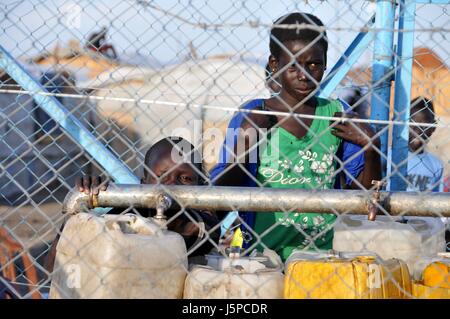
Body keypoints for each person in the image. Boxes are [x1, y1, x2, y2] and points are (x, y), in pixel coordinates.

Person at [210, 12, 381, 261]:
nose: (304, 74)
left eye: (314, 64)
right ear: (274, 64)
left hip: (323, 257)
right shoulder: (255, 114)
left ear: (324, 63)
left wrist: (371, 148)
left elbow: (363, 200)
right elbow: (223, 192)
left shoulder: (336, 114)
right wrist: (246, 145)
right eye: (294, 64)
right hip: (262, 257)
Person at [46, 137, 220, 270]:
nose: (171, 186)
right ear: (143, 184)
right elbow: (53, 269)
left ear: (200, 187)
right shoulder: (124, 217)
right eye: (162, 177)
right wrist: (79, 211)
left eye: (185, 178)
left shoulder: (202, 228)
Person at [407, 97, 444, 192]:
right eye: (412, 123)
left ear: (433, 128)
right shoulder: (389, 156)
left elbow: (436, 200)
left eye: (424, 126)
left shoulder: (436, 165)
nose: (418, 130)